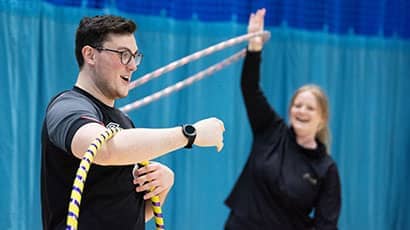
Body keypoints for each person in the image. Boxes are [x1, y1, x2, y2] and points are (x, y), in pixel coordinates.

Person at [41, 15, 225, 230]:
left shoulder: (124, 122)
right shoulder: (67, 108)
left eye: (135, 56)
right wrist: (190, 134)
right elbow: (104, 150)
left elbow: (128, 214)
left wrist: (161, 185)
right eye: (124, 55)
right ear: (90, 55)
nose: (133, 66)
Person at [224, 8, 341, 229]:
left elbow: (326, 224)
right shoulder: (271, 130)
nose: (302, 111)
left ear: (322, 118)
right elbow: (250, 88)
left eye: (310, 108)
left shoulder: (326, 169)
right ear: (290, 110)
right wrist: (254, 47)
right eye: (297, 105)